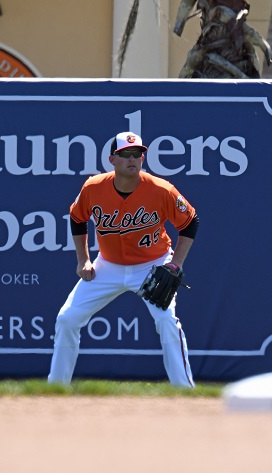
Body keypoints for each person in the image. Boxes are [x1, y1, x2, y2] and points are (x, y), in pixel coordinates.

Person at [48, 131, 200, 388]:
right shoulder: (94, 187)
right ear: (113, 160)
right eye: (125, 154)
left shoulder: (161, 190)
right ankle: (55, 389)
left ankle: (184, 391)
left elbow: (190, 222)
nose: (133, 159)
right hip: (108, 266)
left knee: (166, 321)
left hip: (152, 266)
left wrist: (176, 264)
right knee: (67, 319)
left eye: (138, 154)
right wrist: (83, 260)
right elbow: (77, 218)